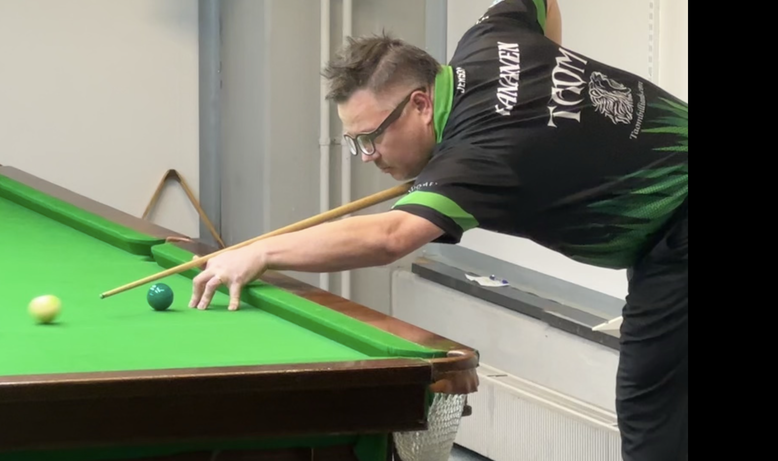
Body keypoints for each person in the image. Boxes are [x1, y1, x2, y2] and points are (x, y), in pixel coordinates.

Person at [188, 0, 686, 459]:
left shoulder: (474, 157)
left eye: (371, 137)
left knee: (651, 417)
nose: (368, 156)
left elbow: (390, 238)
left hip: (677, 233)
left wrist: (261, 253)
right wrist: (546, 106)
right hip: (667, 234)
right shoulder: (487, 39)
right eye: (355, 143)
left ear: (421, 104)